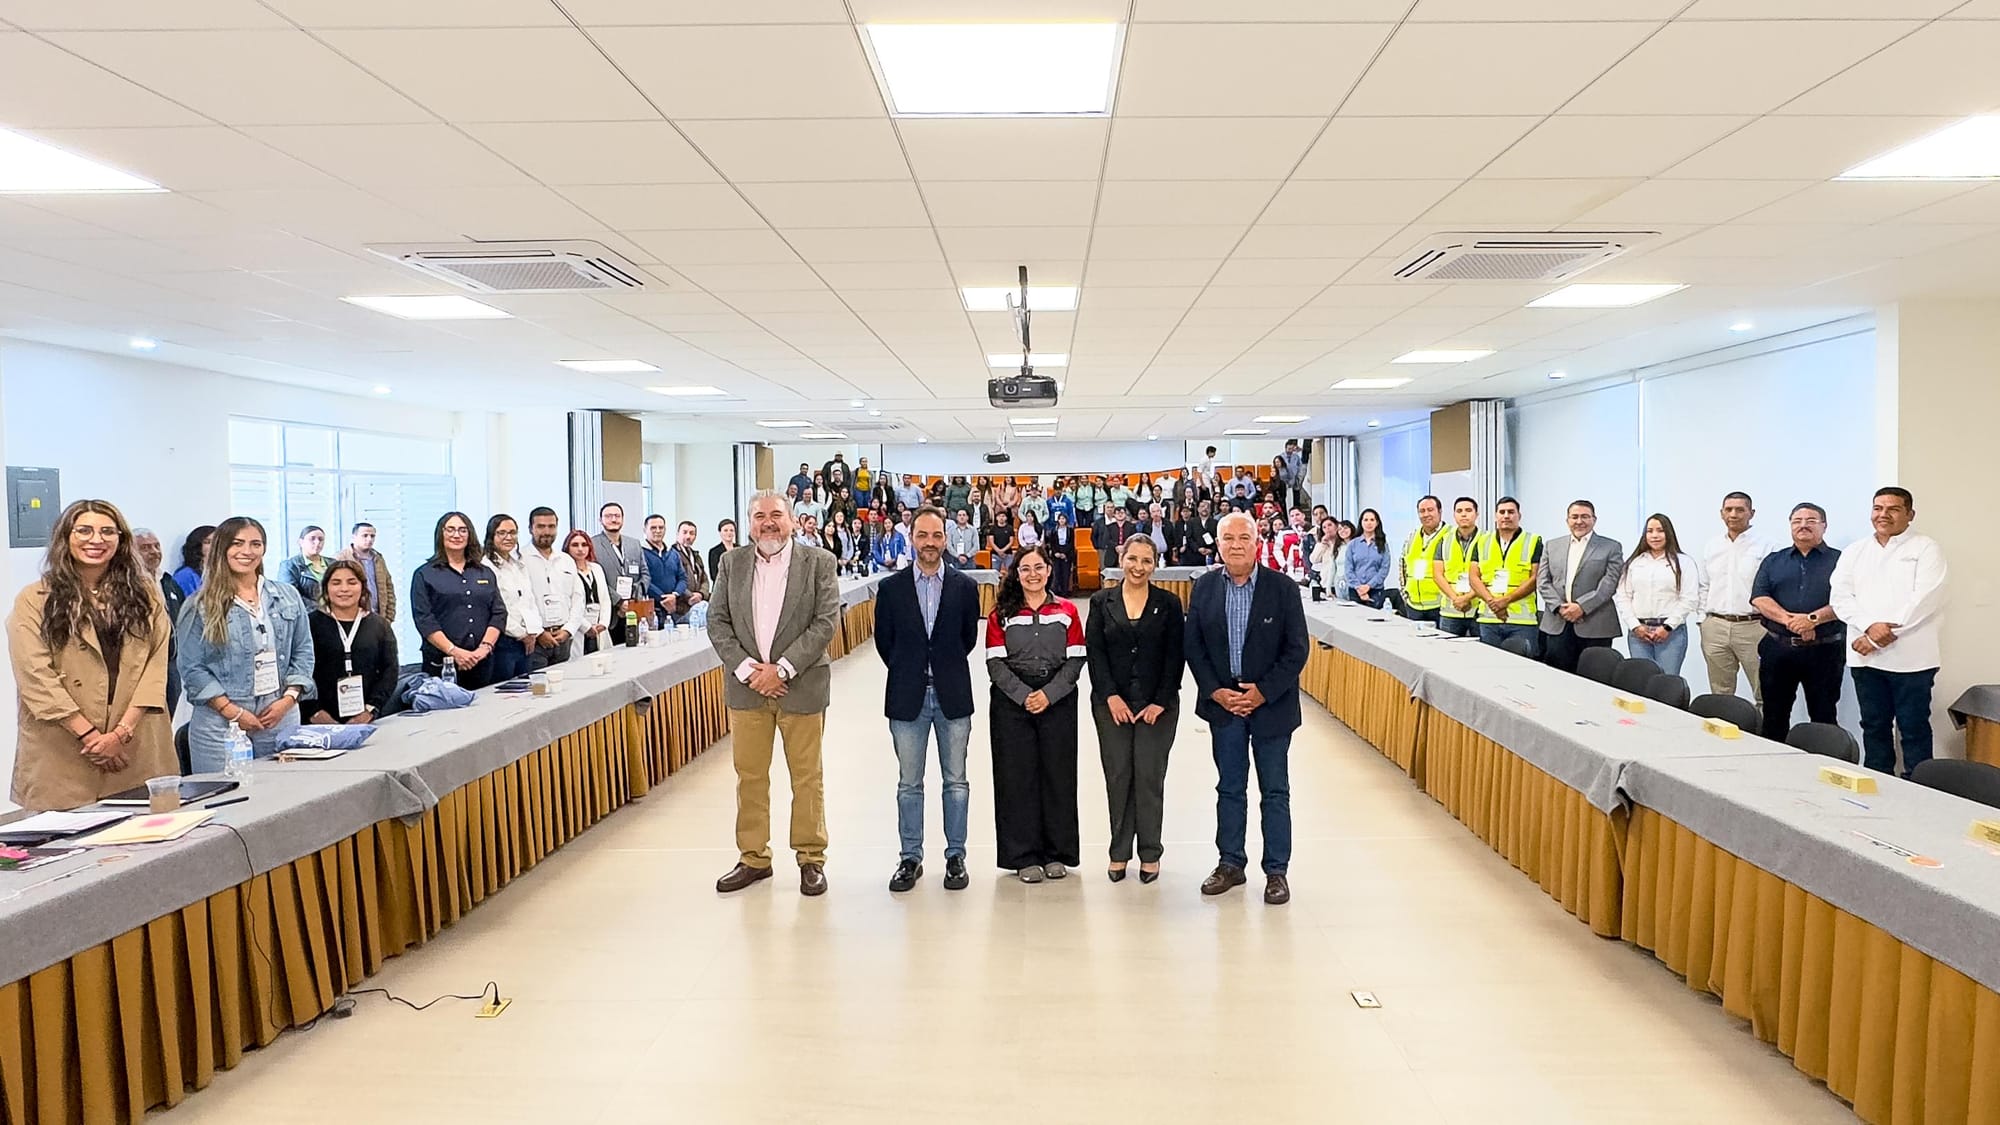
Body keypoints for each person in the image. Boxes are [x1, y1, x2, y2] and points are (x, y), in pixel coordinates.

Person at [710, 490, 841, 897]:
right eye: (759, 516)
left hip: (800, 687)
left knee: (807, 778)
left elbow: (825, 623)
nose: (768, 522)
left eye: (776, 515)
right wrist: (752, 672)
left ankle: (810, 857)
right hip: (748, 690)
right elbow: (717, 622)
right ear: (749, 523)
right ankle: (753, 858)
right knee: (749, 777)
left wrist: (781, 669)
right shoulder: (731, 564)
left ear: (792, 519)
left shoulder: (819, 562)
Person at [9, 500, 176, 811]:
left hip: (135, 741)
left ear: (121, 539)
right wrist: (92, 738)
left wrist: (120, 735)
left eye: (107, 532)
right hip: (64, 746)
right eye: (84, 530)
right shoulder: (34, 599)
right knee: (69, 847)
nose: (96, 540)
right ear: (65, 537)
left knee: (147, 842)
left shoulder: (146, 593)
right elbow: (34, 675)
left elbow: (156, 664)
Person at [1187, 512, 1309, 906]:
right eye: (1228, 538)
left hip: (1271, 707)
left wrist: (1263, 692)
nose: (1236, 544)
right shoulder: (1204, 588)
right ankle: (1230, 863)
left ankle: (1276, 871)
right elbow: (1194, 648)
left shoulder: (1283, 588)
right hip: (1224, 708)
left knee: (1275, 790)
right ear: (1218, 544)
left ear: (1257, 542)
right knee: (1229, 787)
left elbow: (1297, 649)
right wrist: (1216, 692)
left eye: (1244, 537)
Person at [876, 508, 981, 893]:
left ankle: (956, 856)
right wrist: (914, 670)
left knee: (956, 782)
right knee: (909, 784)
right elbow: (885, 643)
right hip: (907, 697)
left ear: (946, 538)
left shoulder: (965, 588)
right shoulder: (891, 589)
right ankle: (910, 858)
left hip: (952, 695)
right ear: (912, 538)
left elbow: (967, 640)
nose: (930, 543)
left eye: (937, 535)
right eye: (923, 535)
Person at [177, 516, 314, 772]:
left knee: (285, 796)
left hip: (279, 713)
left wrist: (288, 699)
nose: (247, 551)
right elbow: (192, 667)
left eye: (256, 544)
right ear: (221, 548)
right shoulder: (199, 605)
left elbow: (304, 650)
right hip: (220, 722)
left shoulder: (287, 596)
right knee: (228, 801)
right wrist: (233, 712)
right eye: (237, 543)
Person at [1086, 535, 1185, 885]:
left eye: (1146, 561)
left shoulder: (1169, 604)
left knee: (1148, 777)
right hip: (1111, 705)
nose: (1139, 567)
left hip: (1157, 706)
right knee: (1118, 777)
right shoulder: (1101, 602)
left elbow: (1176, 656)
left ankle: (1150, 853)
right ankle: (1118, 852)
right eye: (1133, 559)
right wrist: (1110, 696)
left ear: (1155, 565)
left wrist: (1160, 700)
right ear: (1121, 558)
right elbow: (1094, 653)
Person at [1830, 487, 1948, 777]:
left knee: (1913, 727)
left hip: (1912, 658)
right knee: (1873, 725)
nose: (1883, 515)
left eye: (1893, 509)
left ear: (1910, 515)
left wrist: (1874, 636)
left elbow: (1924, 599)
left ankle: (1920, 786)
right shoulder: (1855, 551)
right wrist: (1870, 627)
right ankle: (1878, 781)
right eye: (1878, 508)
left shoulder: (1925, 548)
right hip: (1865, 659)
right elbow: (1841, 597)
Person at [985, 546, 1085, 883]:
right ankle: (1023, 855)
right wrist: (1025, 696)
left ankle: (1057, 852)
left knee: (1058, 775)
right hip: (1012, 704)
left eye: (1038, 567)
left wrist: (1049, 694)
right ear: (1016, 573)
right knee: (1017, 778)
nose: (1032, 574)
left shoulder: (1068, 611)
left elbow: (1075, 660)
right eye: (1025, 568)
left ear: (1048, 571)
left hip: (1057, 699)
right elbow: (995, 664)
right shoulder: (1000, 614)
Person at [1749, 504, 1844, 742]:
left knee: (1824, 716)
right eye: (1797, 520)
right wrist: (1791, 621)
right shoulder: (1774, 560)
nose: (1803, 525)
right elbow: (1759, 597)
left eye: (1811, 520)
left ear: (1824, 526)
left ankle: (1824, 770)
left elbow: (1847, 600)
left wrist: (1813, 620)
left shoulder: (1841, 561)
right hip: (1778, 648)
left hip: (1824, 651)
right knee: (1773, 716)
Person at [410, 511, 507, 689]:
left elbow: (499, 613)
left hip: (482, 662)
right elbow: (424, 620)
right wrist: (454, 652)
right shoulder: (424, 574)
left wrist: (484, 649)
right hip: (441, 664)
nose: (457, 535)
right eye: (451, 529)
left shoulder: (484, 572)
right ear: (441, 534)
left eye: (463, 530)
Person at [1698, 492, 1775, 705]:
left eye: (1740, 509)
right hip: (1716, 626)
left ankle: (1762, 737)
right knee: (1720, 692)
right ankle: (1721, 737)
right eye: (1728, 509)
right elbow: (1704, 585)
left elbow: (1774, 588)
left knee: (1764, 692)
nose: (1734, 514)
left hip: (1754, 627)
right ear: (1721, 513)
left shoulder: (1767, 546)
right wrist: (1702, 620)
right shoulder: (1712, 545)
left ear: (1752, 513)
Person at [301, 560, 398, 726]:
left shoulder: (379, 625)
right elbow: (300, 669)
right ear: (326, 588)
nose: (344, 589)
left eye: (352, 582)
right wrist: (313, 712)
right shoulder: (309, 624)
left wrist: (370, 710)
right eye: (336, 583)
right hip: (318, 721)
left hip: (367, 720)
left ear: (362, 587)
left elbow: (390, 670)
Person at [1536, 500, 1624, 675]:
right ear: (1567, 520)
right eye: (1574, 517)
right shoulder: (1552, 545)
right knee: (1557, 677)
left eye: (1585, 516)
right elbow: (1542, 581)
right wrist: (1560, 607)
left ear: (1594, 519)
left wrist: (1582, 607)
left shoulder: (1611, 546)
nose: (1579, 521)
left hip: (1595, 624)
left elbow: (1609, 583)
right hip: (1557, 623)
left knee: (1594, 679)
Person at [1615, 514, 1701, 676]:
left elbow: (1689, 599)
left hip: (1671, 634)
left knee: (1667, 682)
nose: (1655, 535)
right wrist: (1635, 626)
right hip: (1639, 634)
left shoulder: (1684, 562)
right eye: (1650, 531)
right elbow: (1623, 597)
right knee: (1641, 680)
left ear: (1668, 533)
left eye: (1660, 531)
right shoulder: (1634, 562)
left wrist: (1667, 627)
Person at [1468, 498, 1540, 651]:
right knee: (1489, 668)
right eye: (1502, 512)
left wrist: (1506, 600)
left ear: (1519, 516)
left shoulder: (1533, 541)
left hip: (1522, 622)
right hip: (1488, 619)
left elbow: (1535, 578)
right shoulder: (1482, 541)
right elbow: (1473, 577)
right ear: (1496, 516)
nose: (1506, 516)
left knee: (1522, 670)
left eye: (1511, 512)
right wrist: (1493, 603)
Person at [133, 527, 186, 715]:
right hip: (142, 668)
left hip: (171, 664)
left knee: (168, 719)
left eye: (156, 546)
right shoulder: (127, 586)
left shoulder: (168, 581)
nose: (154, 552)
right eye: (145, 548)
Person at [522, 507, 582, 666]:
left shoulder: (566, 560)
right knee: (539, 688)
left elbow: (578, 598)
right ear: (530, 529)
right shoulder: (520, 560)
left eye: (551, 526)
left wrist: (569, 630)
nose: (546, 531)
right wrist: (539, 632)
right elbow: (521, 602)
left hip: (563, 638)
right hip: (535, 641)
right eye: (540, 527)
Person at [484, 514, 536, 682]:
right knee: (506, 693)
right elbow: (497, 608)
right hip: (504, 641)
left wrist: (533, 631)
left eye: (513, 532)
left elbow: (528, 600)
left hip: (527, 639)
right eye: (502, 533)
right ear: (492, 536)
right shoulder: (486, 567)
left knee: (525, 691)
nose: (508, 537)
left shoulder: (518, 564)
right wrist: (521, 634)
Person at [592, 503, 649, 647]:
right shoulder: (593, 544)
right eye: (608, 516)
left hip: (634, 609)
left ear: (622, 519)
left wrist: (634, 598)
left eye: (617, 516)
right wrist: (619, 602)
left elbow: (645, 574)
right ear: (600, 520)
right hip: (610, 613)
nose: (613, 519)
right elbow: (597, 580)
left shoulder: (634, 544)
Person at [1430, 497, 1483, 636]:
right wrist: (1456, 599)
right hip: (1450, 610)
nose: (1464, 514)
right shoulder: (1444, 540)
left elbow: (1489, 575)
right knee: (1447, 653)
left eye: (1468, 510)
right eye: (1459, 511)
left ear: (1477, 514)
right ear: (1454, 515)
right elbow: (1437, 574)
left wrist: (1467, 598)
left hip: (1479, 610)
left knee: (1481, 653)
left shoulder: (1487, 540)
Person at [564, 530, 613, 657]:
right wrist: (586, 627)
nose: (580, 549)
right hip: (579, 628)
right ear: (567, 548)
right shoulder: (565, 571)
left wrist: (603, 623)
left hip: (599, 627)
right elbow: (569, 605)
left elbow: (605, 599)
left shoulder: (596, 568)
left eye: (584, 544)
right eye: (575, 545)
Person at [1397, 496, 1446, 622]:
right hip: (1414, 605)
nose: (1426, 514)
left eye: (1430, 510)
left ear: (1439, 512)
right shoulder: (1412, 536)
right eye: (1422, 511)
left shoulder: (1449, 536)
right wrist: (1405, 593)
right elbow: (1402, 564)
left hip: (1440, 605)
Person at [337, 521, 396, 625]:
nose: (369, 539)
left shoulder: (378, 558)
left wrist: (389, 617)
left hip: (379, 618)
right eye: (365, 535)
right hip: (353, 619)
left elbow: (389, 586)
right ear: (354, 537)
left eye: (372, 536)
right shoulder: (342, 558)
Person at [661, 519, 712, 626]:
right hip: (681, 608)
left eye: (692, 533)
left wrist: (701, 594)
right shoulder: (671, 556)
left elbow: (704, 579)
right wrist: (690, 596)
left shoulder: (696, 556)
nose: (688, 536)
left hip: (698, 603)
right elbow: (674, 581)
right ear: (677, 534)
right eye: (684, 532)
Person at [1347, 510, 1392, 609]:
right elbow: (1349, 568)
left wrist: (1369, 586)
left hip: (1375, 590)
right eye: (1366, 520)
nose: (1369, 523)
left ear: (1377, 523)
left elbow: (1384, 568)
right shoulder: (1353, 544)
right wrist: (1359, 588)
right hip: (1355, 590)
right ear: (1361, 522)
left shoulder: (1383, 544)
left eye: (1372, 520)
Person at [280, 526, 330, 607]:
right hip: (307, 613)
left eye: (320, 539)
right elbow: (289, 595)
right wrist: (319, 609)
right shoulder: (290, 566)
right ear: (301, 542)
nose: (317, 542)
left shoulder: (333, 563)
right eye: (312, 539)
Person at [173, 525, 214, 596]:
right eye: (207, 542)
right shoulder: (185, 575)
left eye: (217, 542)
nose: (214, 546)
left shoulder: (224, 572)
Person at [1046, 510, 1078, 595]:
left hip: (1066, 553)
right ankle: (1056, 591)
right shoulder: (1054, 530)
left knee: (1065, 573)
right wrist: (1056, 552)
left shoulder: (1070, 530)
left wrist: (1065, 554)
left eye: (1063, 518)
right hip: (1056, 552)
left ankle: (1065, 591)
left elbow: (1071, 543)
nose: (1061, 520)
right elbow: (1052, 543)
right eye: (1060, 519)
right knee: (1057, 573)